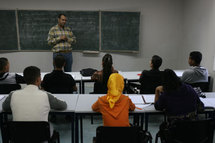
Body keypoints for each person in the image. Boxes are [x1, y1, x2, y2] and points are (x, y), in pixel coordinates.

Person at [2, 66, 67, 122]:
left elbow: (5, 107)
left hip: (18, 135)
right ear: (38, 80)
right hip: (41, 134)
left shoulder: (13, 94)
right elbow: (63, 106)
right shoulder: (45, 95)